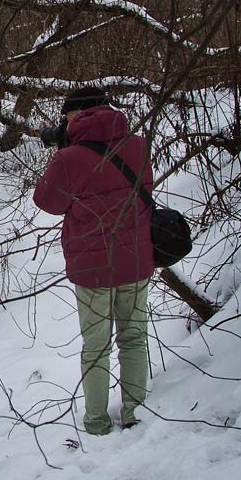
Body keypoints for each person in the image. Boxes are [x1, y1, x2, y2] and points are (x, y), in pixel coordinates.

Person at [33, 86, 154, 435]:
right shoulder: (138, 145)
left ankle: (97, 422)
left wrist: (64, 154)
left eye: (66, 116)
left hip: (93, 266)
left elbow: (48, 202)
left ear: (76, 115)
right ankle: (135, 413)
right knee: (134, 337)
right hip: (135, 258)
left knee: (97, 346)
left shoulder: (70, 158)